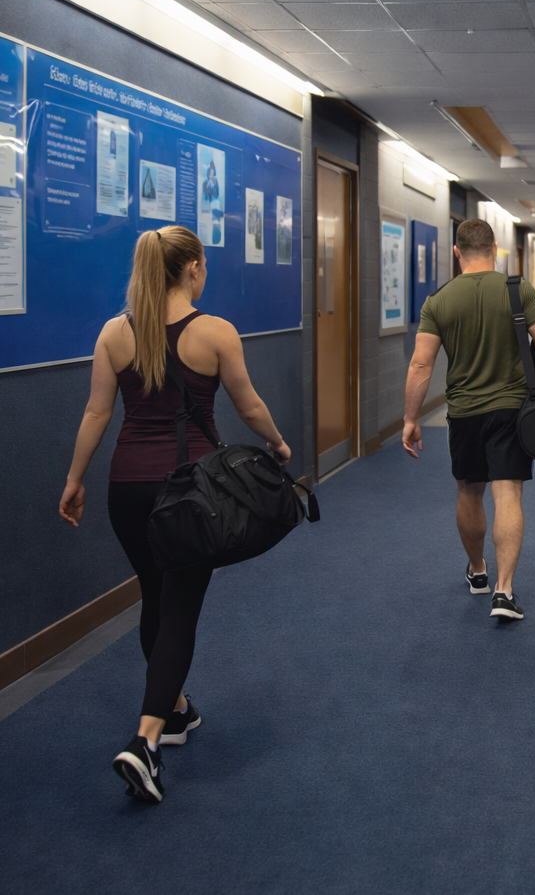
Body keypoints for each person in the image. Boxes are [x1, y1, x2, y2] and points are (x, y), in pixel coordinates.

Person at [58, 226, 291, 803]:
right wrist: (277, 442)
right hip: (190, 493)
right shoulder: (214, 332)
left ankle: (177, 710)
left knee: (155, 598)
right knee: (180, 609)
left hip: (126, 489)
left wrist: (74, 479)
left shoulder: (114, 333)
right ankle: (146, 743)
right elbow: (248, 404)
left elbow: (96, 413)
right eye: (203, 265)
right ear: (192, 268)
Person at [401, 219, 535, 622]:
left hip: (464, 413)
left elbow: (420, 364)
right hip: (510, 409)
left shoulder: (438, 301)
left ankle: (477, 571)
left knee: (470, 492)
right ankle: (504, 592)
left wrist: (410, 418)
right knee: (507, 494)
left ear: (456, 252)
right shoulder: (517, 290)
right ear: (494, 249)